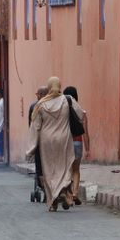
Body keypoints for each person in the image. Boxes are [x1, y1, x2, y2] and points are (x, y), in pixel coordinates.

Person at [27, 76, 77, 211]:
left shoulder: (40, 105)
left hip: (47, 141)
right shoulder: (68, 100)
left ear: (49, 87)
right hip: (64, 139)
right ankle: (66, 192)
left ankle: (53, 202)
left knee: (49, 171)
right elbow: (81, 115)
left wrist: (31, 148)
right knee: (65, 167)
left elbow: (35, 127)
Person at [63, 86, 90, 205]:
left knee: (67, 170)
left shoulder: (62, 112)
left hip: (66, 143)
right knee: (76, 169)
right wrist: (88, 148)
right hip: (78, 142)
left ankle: (68, 195)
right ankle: (75, 193)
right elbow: (86, 133)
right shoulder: (82, 112)